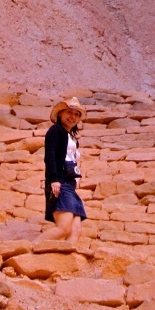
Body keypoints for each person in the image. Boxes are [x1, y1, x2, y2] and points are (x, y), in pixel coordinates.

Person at [40, 95, 87, 247]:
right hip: (60, 183)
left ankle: (67, 259)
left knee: (76, 230)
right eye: (69, 112)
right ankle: (28, 249)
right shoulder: (55, 131)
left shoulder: (71, 138)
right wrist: (54, 179)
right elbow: (50, 156)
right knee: (63, 228)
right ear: (60, 114)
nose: (72, 117)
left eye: (76, 114)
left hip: (69, 185)